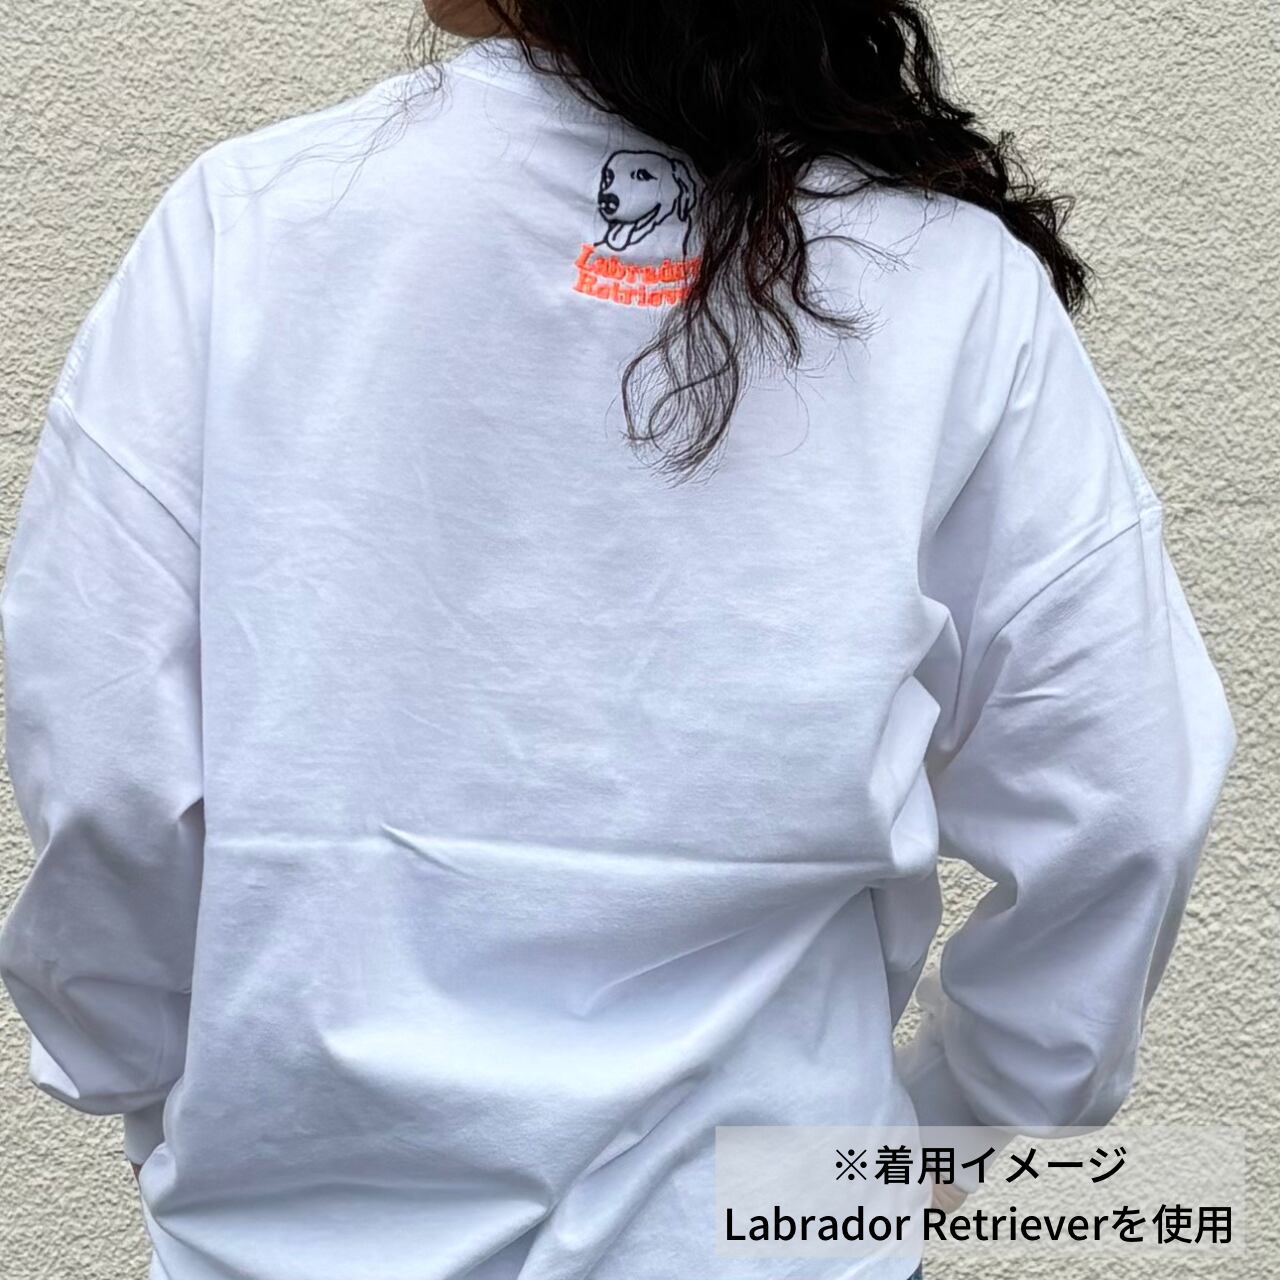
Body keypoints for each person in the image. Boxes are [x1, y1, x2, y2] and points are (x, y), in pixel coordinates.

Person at [0, 2, 1236, 1279]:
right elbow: (1121, 793)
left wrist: (154, 1089)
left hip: (298, 1241)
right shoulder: (946, 274)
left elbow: (106, 759)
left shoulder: (249, 224)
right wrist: (942, 1129)